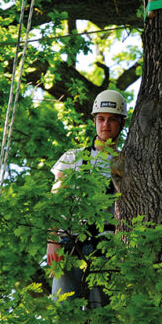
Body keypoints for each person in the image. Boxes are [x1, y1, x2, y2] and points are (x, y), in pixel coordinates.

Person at [46, 89, 127, 309]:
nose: (105, 125)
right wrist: (52, 241)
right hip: (69, 244)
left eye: (112, 120)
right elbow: (57, 201)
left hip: (105, 250)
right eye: (100, 119)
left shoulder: (127, 164)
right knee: (63, 312)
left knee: (101, 318)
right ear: (94, 122)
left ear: (121, 123)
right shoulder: (73, 158)